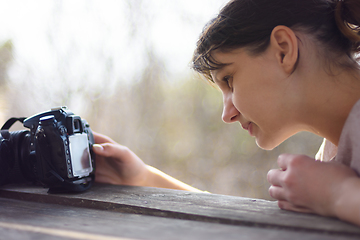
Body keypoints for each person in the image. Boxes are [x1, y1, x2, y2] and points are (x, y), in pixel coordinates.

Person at [93, 0, 360, 226]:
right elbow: (253, 228)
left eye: (229, 80)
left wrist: (337, 194)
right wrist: (144, 179)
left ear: (283, 50)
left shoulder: (332, 177)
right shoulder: (333, 154)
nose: (227, 115)